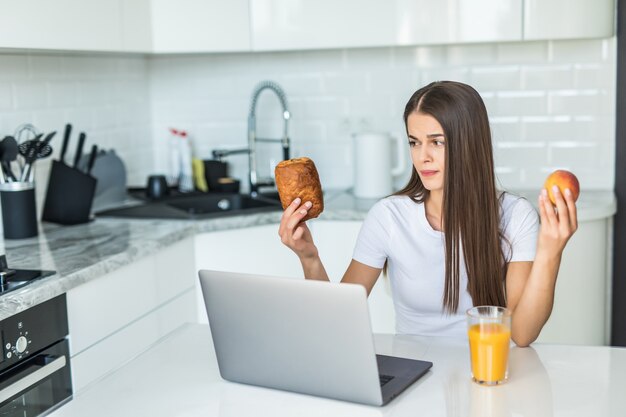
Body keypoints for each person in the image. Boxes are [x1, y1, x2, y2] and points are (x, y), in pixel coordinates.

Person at [278, 81, 577, 347]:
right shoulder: (388, 216)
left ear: (469, 144)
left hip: (489, 374)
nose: (423, 157)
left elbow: (522, 334)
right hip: (413, 376)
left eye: (437, 142)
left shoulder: (515, 216)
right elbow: (335, 323)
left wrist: (550, 252)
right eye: (414, 142)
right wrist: (309, 258)